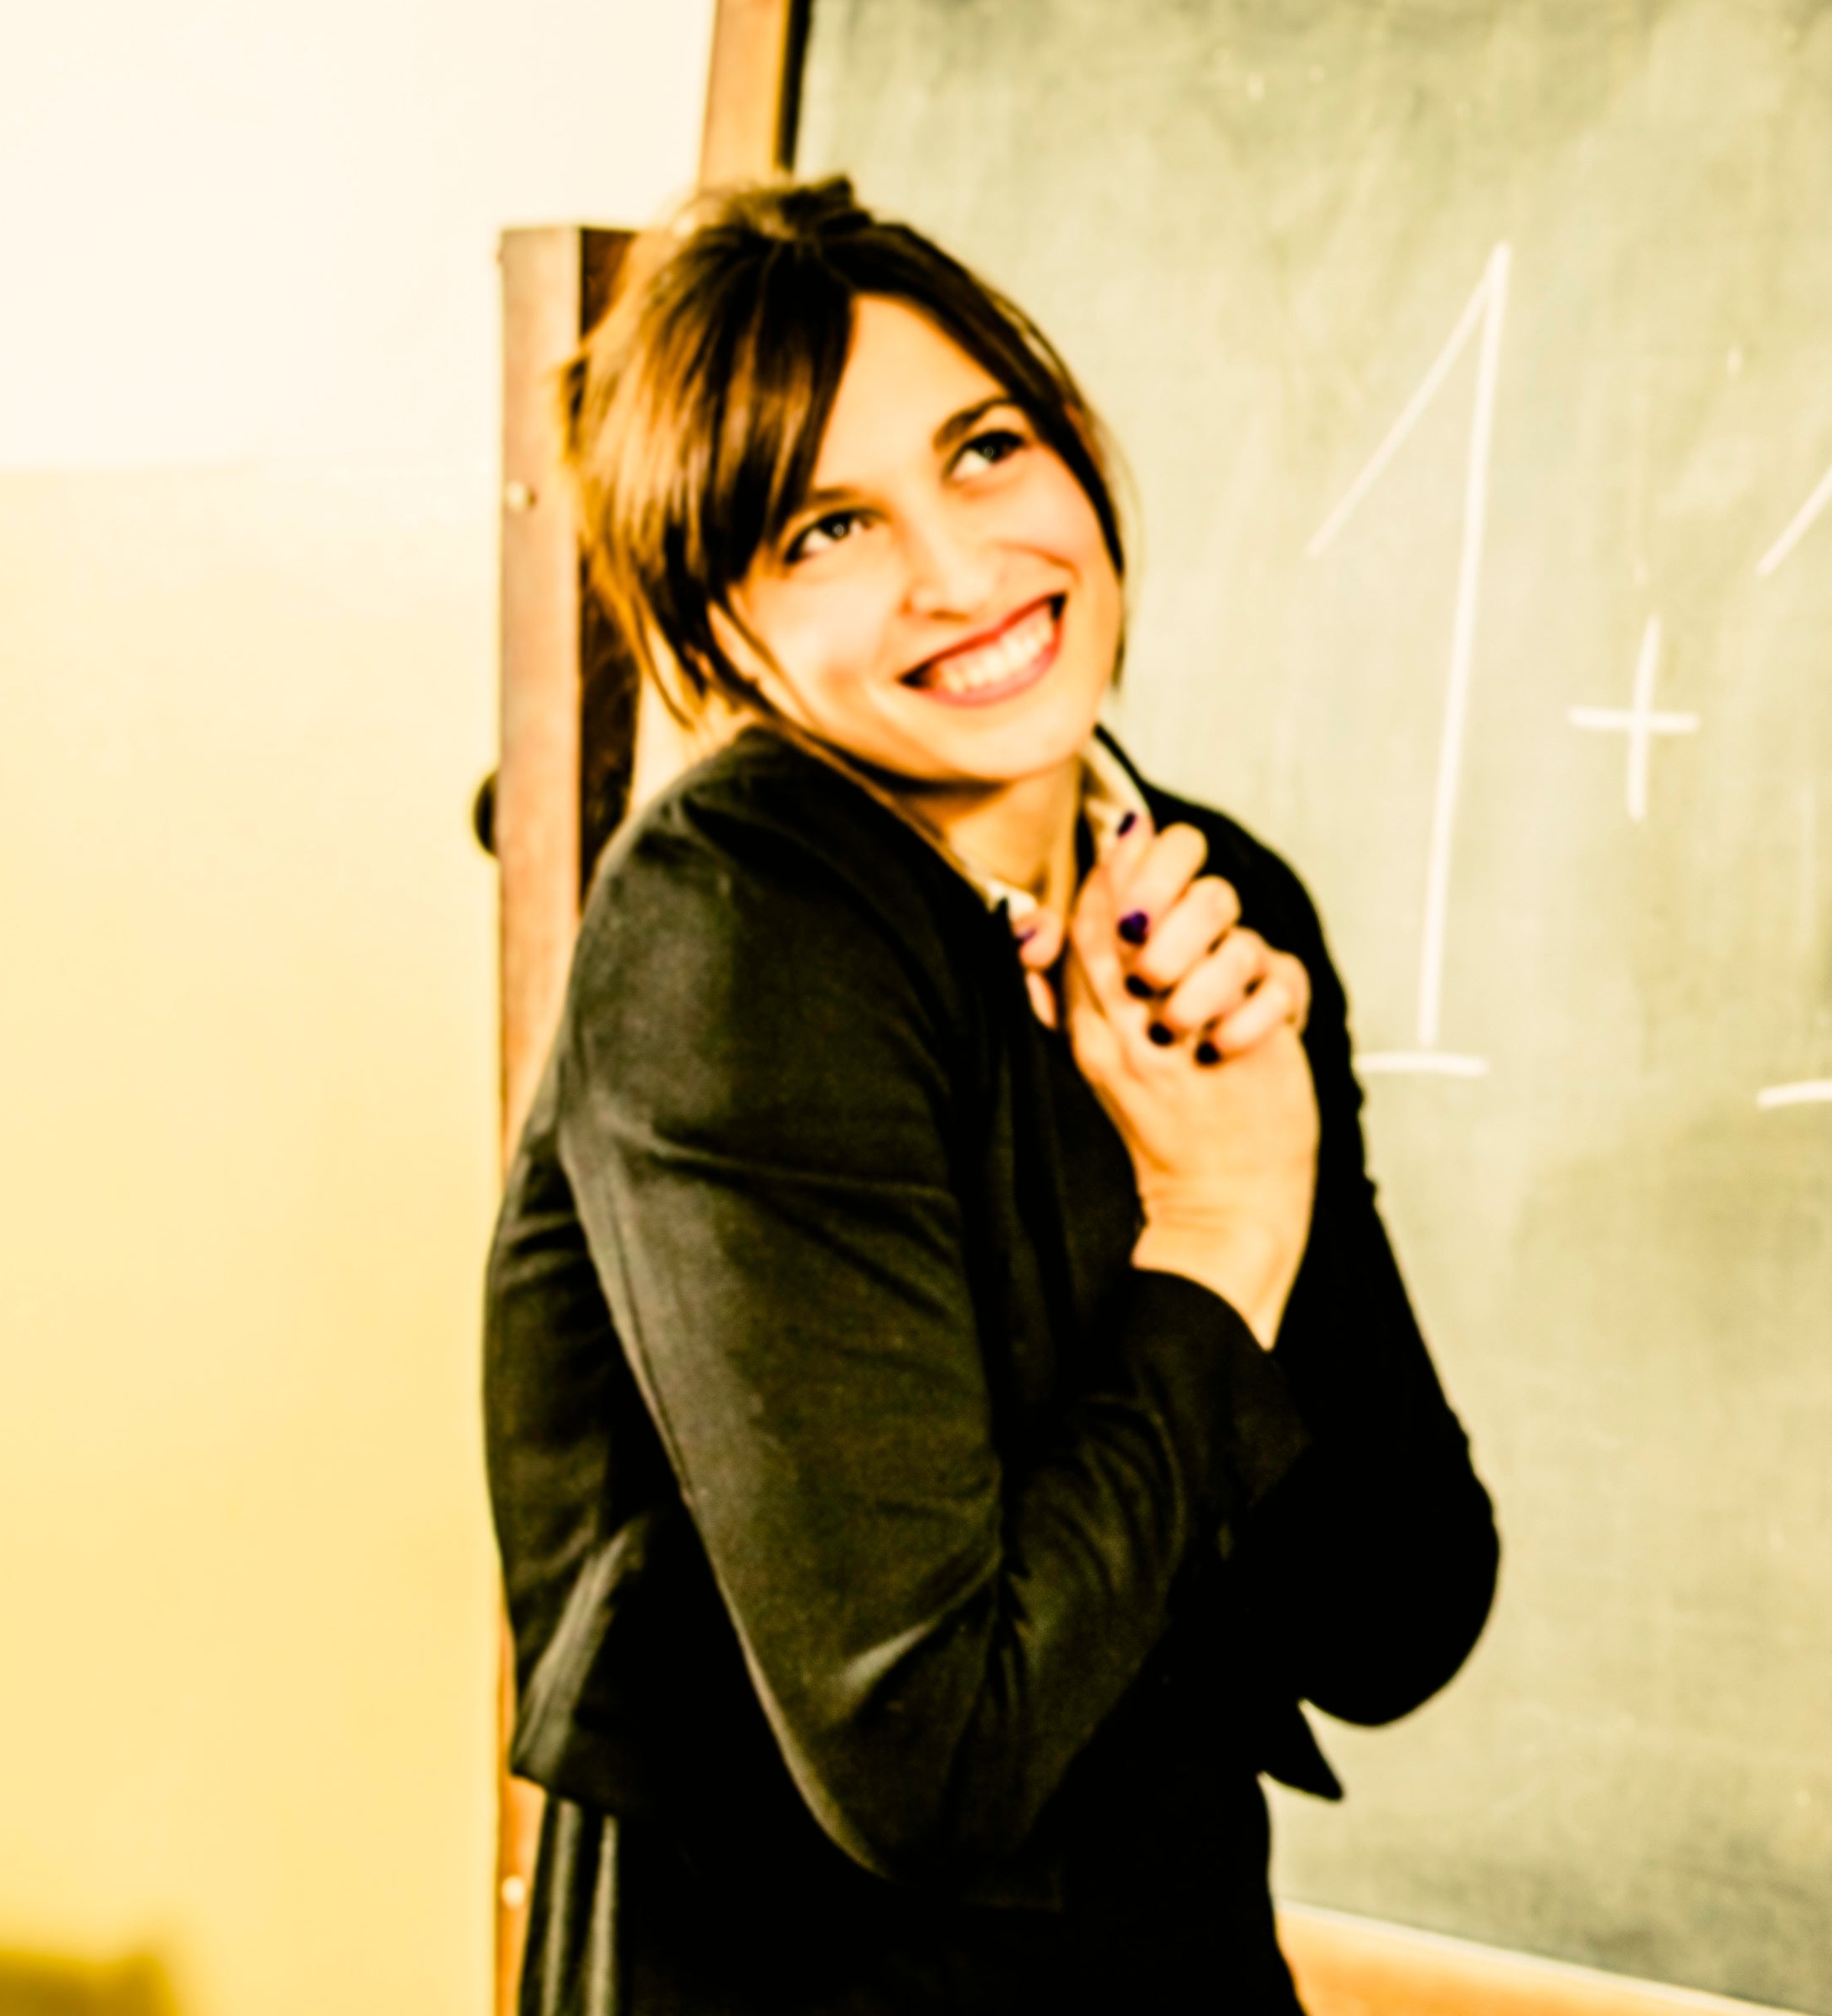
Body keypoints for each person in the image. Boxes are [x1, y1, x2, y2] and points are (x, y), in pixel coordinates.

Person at [485, 178, 1497, 2012]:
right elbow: (929, 1755)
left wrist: (1267, 1151)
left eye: (986, 449)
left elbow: (1396, 1612)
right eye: (827, 529)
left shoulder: (1203, 903)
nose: (959, 571)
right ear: (720, 629)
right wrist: (1218, 1229)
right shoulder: (738, 935)